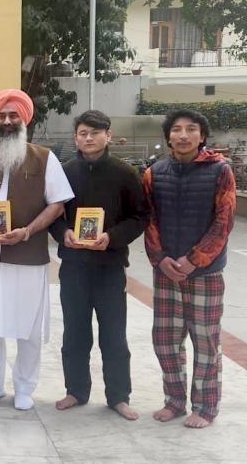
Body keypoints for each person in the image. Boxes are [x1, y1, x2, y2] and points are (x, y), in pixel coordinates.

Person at [0, 89, 73, 410]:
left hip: (27, 256)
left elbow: (57, 203)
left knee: (28, 325)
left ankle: (24, 387)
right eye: (1, 115)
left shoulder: (44, 158)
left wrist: (27, 232)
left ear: (24, 120)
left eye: (13, 115)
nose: (7, 121)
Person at [50, 110, 148, 420]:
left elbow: (140, 216)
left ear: (108, 135)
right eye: (83, 133)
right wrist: (63, 233)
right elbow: (53, 213)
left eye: (95, 132)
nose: (89, 138)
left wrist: (112, 237)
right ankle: (75, 391)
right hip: (74, 267)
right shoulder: (64, 172)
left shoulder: (125, 173)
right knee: (74, 334)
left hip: (109, 267)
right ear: (76, 138)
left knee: (114, 335)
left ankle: (118, 396)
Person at [143, 109, 236, 429]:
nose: (183, 135)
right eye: (177, 129)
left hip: (205, 273)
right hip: (166, 272)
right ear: (168, 136)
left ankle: (205, 407)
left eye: (191, 129)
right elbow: (149, 218)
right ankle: (174, 401)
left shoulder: (220, 170)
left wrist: (194, 260)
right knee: (165, 340)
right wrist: (160, 259)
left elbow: (224, 221)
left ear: (202, 136)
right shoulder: (154, 172)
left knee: (205, 341)